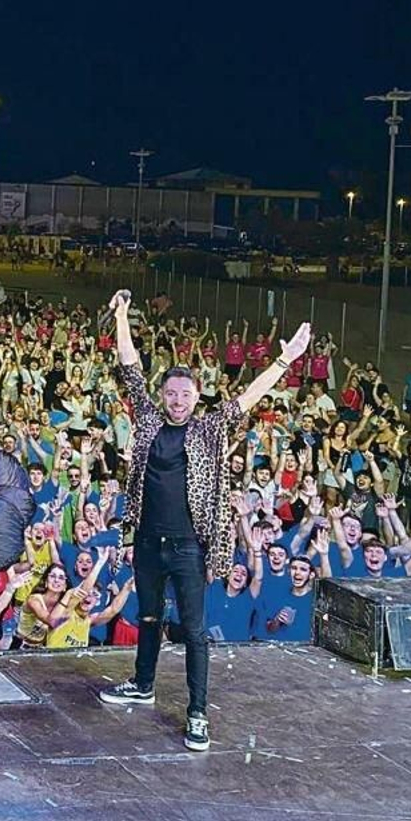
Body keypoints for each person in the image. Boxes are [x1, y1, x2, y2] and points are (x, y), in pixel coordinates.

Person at [97, 288, 311, 752]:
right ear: (162, 395)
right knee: (150, 616)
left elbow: (248, 398)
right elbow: (130, 366)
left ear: (197, 397)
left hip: (190, 545)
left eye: (186, 394)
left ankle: (197, 713)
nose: (177, 401)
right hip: (149, 540)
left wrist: (285, 360)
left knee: (193, 630)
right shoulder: (150, 421)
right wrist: (122, 316)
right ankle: (142, 682)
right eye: (171, 393)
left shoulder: (210, 428)